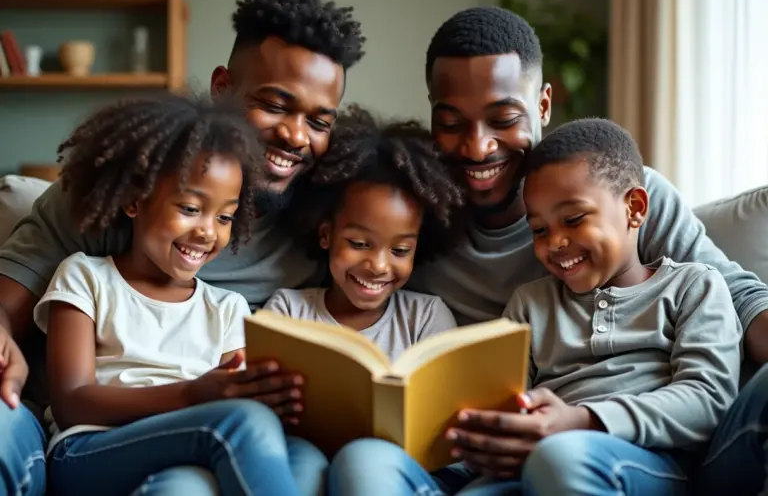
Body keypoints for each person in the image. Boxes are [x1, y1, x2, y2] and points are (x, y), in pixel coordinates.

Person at [0, 0, 365, 496]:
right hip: (87, 440)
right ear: (222, 88)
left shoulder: (323, 233)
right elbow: (36, 349)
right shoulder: (92, 244)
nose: (296, 136)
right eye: (276, 105)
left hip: (189, 447)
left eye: (318, 121)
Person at [327, 118, 743, 496]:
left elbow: (708, 399)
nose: (555, 243)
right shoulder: (530, 303)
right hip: (523, 471)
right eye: (539, 230)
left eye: (575, 219)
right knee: (363, 459)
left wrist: (582, 420)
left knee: (560, 458)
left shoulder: (694, 286)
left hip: (638, 464)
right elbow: (502, 400)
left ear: (634, 208)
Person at [38, 94, 328, 496]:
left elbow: (240, 395)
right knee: (241, 424)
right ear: (134, 200)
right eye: (191, 208)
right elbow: (72, 403)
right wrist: (191, 394)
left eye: (225, 217)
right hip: (88, 450)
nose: (208, 231)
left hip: (187, 452)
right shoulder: (86, 277)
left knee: (291, 458)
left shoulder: (227, 309)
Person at [264, 106, 464, 361]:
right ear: (326, 234)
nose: (378, 266)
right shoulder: (288, 311)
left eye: (400, 250)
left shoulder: (426, 318)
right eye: (359, 244)